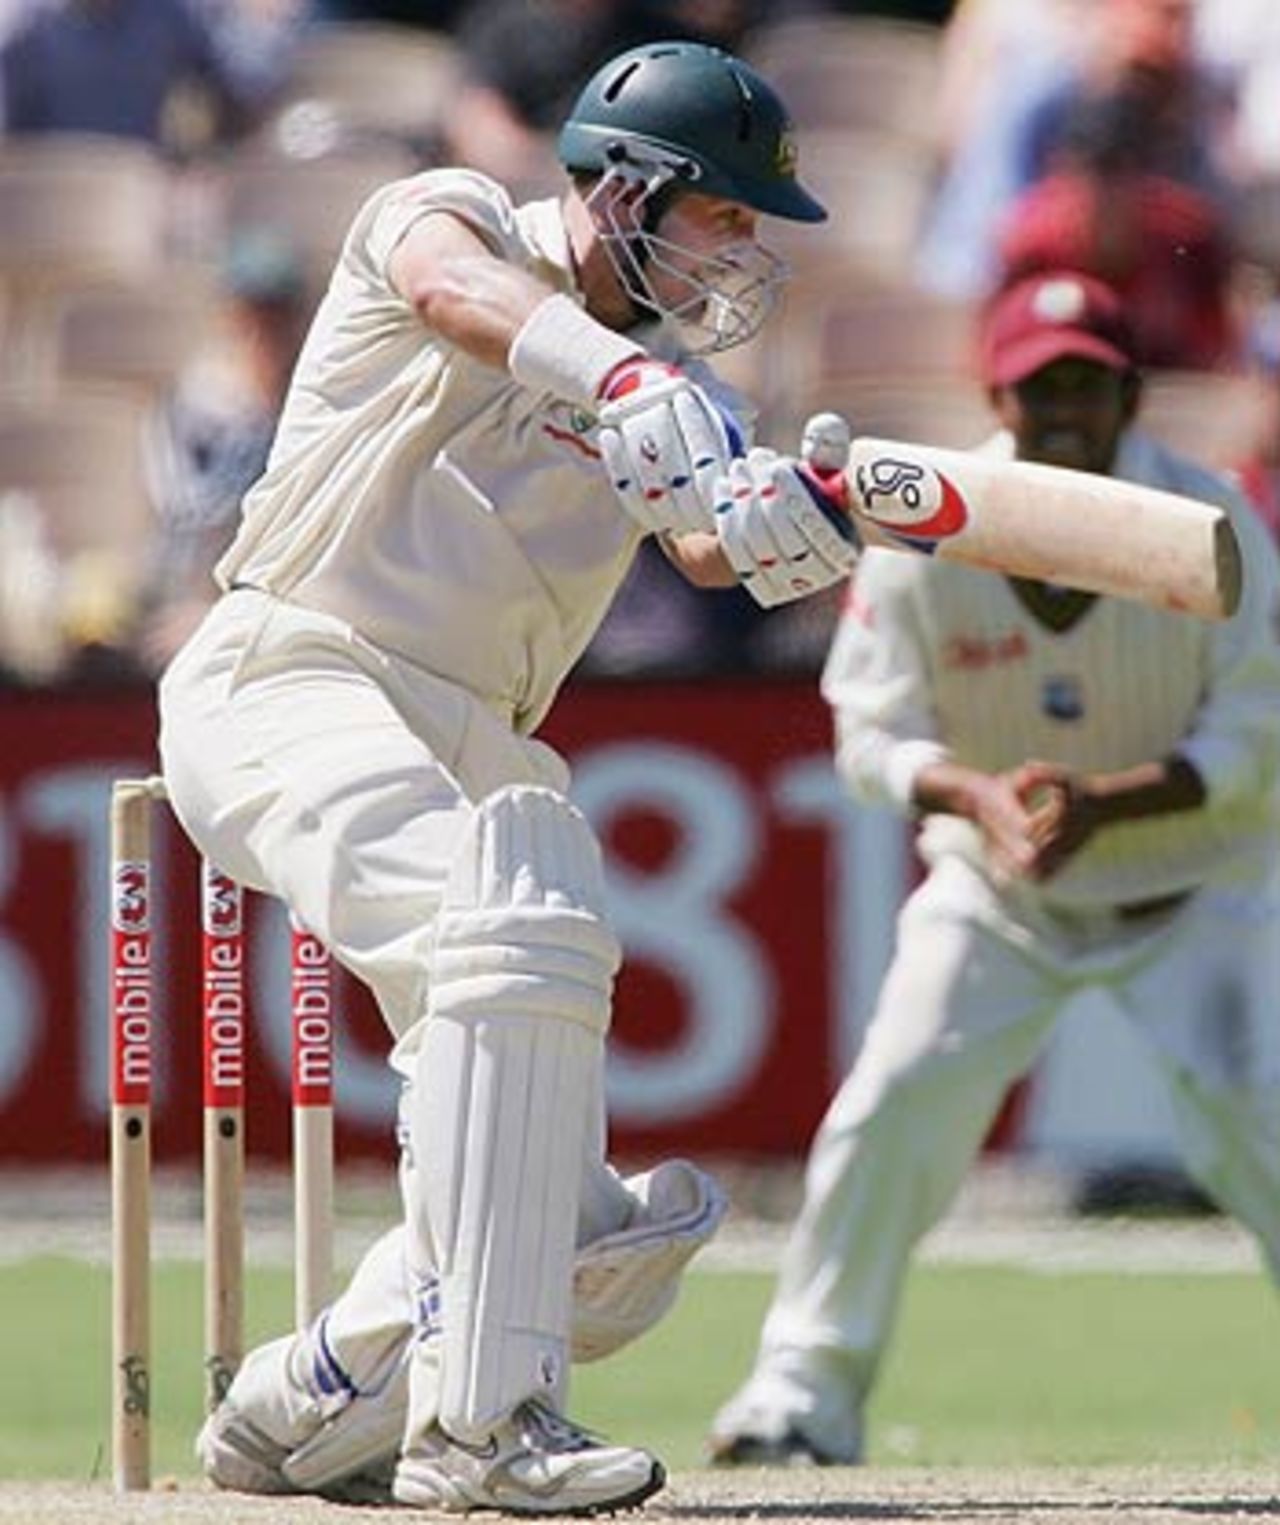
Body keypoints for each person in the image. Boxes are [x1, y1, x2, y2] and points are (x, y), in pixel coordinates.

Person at [157, 37, 856, 1513]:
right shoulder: (450, 217)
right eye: (726, 215)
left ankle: (306, 1394)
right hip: (296, 669)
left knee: (591, 1231)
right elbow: (447, 291)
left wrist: (802, 524)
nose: (743, 257)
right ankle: (480, 1429)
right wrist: (607, 369)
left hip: (476, 732)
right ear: (631, 191)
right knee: (511, 942)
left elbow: (709, 539)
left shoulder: (666, 387)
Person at [708, 268, 1280, 1467]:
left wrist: (1104, 805)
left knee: (1259, 1124)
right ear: (995, 396)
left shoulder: (1213, 522)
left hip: (1193, 889)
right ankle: (797, 1397)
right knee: (888, 1108)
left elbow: (1249, 740)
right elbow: (866, 731)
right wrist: (979, 797)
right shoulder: (923, 527)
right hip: (994, 885)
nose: (1061, 410)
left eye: (1084, 384)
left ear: (1128, 391)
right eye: (1038, 389)